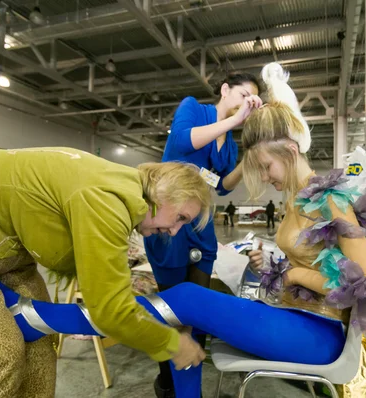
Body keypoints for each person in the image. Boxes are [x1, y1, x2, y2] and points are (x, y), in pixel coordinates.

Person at [0, 64, 366, 398]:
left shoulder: (329, 199)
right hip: (297, 320)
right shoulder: (297, 200)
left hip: (319, 335)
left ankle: (39, 319)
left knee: (190, 299)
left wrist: (298, 275)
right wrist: (271, 264)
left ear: (288, 150)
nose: (266, 179)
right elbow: (309, 261)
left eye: (266, 167)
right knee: (188, 319)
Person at [0, 147, 211, 398]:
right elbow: (110, 310)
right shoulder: (109, 199)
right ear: (164, 193)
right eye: (180, 218)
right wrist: (173, 344)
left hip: (4, 248)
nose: (175, 231)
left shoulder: (117, 190)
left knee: (41, 344)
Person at [143, 72, 262, 396]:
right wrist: (235, 117)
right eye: (243, 95)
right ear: (225, 90)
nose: (246, 103)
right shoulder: (194, 109)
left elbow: (220, 186)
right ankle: (168, 382)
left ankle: (188, 378)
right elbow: (183, 142)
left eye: (252, 99)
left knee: (196, 310)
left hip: (201, 226)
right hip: (169, 222)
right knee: (172, 309)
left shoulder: (230, 142)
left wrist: (248, 160)